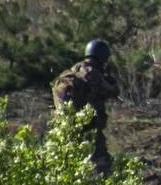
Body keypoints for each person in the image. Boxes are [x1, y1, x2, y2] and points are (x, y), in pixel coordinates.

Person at [52, 39, 121, 172]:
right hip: (89, 129)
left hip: (65, 128)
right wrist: (112, 83)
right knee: (101, 165)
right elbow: (111, 91)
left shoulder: (73, 71)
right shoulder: (92, 73)